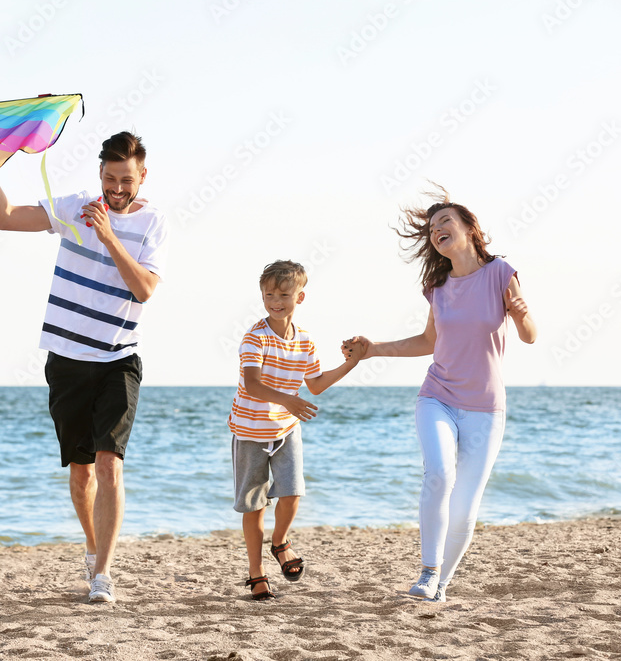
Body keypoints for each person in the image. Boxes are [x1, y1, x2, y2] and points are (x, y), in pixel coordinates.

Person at [0, 131, 168, 603]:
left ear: (143, 176)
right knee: (81, 475)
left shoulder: (154, 222)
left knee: (109, 464)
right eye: (109, 179)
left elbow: (144, 289)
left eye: (126, 180)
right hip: (66, 361)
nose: (117, 189)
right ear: (99, 174)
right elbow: (4, 218)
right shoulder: (76, 205)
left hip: (119, 358)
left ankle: (103, 573)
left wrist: (108, 237)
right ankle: (93, 545)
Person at [343, 185, 537, 603]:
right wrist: (373, 349)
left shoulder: (501, 272)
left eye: (444, 221)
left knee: (466, 506)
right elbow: (429, 340)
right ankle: (428, 570)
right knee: (439, 475)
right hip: (438, 395)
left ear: (469, 227)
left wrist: (523, 316)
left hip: (486, 407)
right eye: (431, 228)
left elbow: (530, 336)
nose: (436, 231)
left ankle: (441, 584)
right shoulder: (438, 286)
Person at [228, 260, 366, 600]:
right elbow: (253, 384)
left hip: (286, 429)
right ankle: (256, 573)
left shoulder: (304, 341)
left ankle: (279, 542)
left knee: (292, 493)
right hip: (250, 431)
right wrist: (289, 401)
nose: (276, 300)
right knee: (254, 505)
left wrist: (351, 363)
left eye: (284, 294)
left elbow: (316, 385)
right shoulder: (254, 337)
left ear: (299, 297)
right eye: (269, 294)